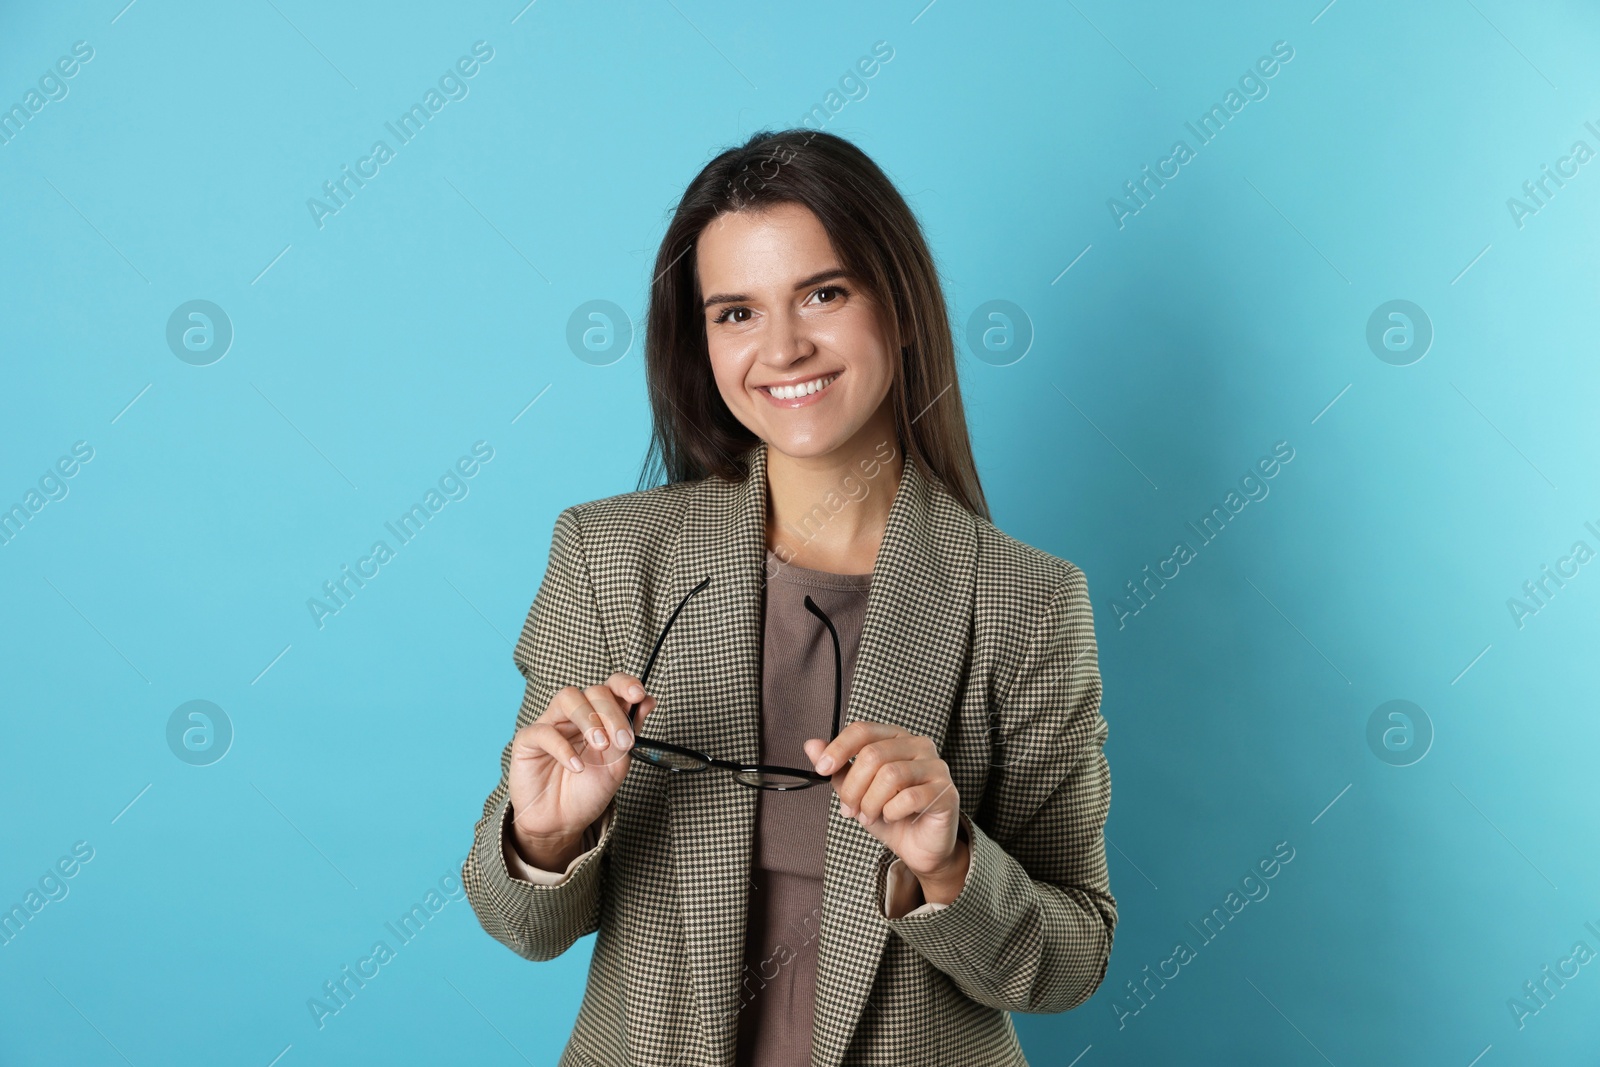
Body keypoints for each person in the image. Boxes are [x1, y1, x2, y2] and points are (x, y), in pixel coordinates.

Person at [462, 128, 1116, 1067]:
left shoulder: (1030, 602)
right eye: (735, 313)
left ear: (899, 307)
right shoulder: (609, 557)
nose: (783, 347)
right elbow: (520, 922)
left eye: (823, 293)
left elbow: (1071, 959)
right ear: (700, 341)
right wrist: (546, 831)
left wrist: (950, 861)